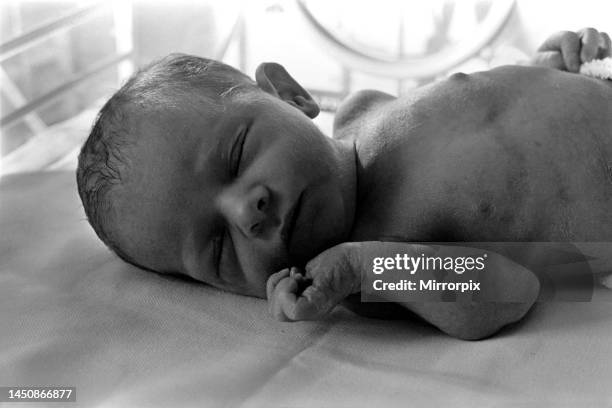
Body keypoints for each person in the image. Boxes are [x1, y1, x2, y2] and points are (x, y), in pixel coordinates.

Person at [77, 28, 612, 340]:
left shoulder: (363, 109)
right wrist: (364, 266)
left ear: (288, 94)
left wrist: (549, 67)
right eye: (218, 247)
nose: (247, 211)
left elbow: (490, 107)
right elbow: (513, 290)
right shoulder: (379, 265)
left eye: (237, 154)